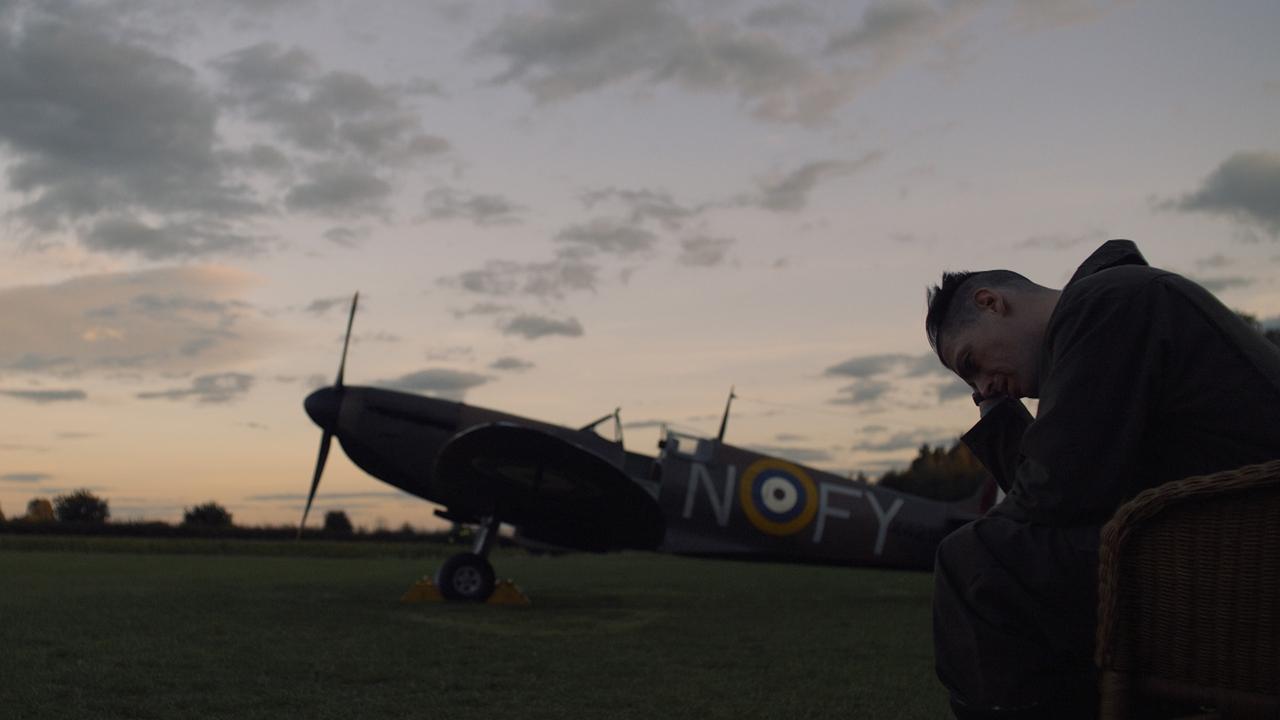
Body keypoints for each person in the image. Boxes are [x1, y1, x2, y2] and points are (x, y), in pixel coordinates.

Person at [924, 239, 1280, 719]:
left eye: (972, 364)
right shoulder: (1111, 313)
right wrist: (998, 413)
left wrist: (1003, 430)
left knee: (972, 560)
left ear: (991, 302)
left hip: (1239, 551)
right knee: (992, 553)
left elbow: (1054, 493)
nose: (983, 386)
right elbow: (1060, 494)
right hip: (1222, 543)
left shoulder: (1103, 304)